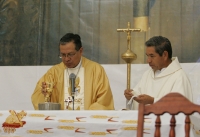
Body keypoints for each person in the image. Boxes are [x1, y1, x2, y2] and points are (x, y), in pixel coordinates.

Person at [31, 33, 114, 110]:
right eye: (63, 55)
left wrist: (86, 118)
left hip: (87, 123)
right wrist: (46, 95)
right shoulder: (54, 72)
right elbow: (39, 99)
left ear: (81, 51)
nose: (66, 59)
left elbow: (103, 101)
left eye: (70, 54)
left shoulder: (96, 70)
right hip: (61, 122)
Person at [124, 36, 193, 110]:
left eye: (152, 56)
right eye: (147, 56)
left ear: (165, 55)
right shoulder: (147, 74)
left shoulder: (179, 77)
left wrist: (153, 101)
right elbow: (138, 93)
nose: (148, 60)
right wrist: (131, 95)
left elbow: (180, 107)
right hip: (145, 121)